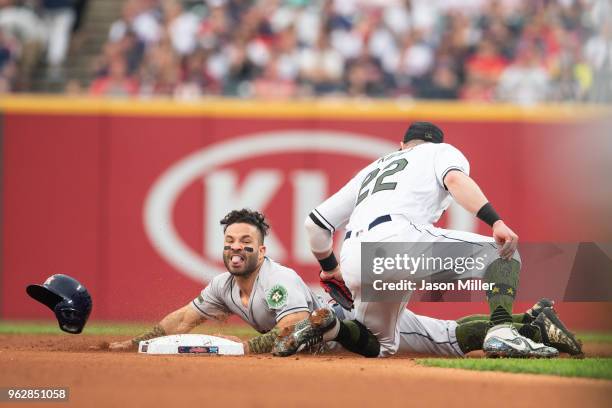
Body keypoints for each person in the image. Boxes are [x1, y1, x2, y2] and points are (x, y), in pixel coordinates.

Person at [274, 121, 562, 358]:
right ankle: (502, 332)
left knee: (379, 344)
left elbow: (314, 224)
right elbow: (455, 181)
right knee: (502, 253)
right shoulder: (440, 152)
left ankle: (332, 326)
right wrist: (495, 221)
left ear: (402, 145)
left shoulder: (372, 169)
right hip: (399, 239)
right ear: (436, 143)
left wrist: (330, 269)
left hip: (354, 257)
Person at [109, 209, 320, 354]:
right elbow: (184, 319)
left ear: (262, 251)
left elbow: (295, 327)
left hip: (340, 347)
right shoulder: (222, 285)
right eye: (230, 241)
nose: (236, 247)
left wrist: (245, 347)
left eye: (245, 241)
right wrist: (135, 343)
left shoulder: (278, 279)